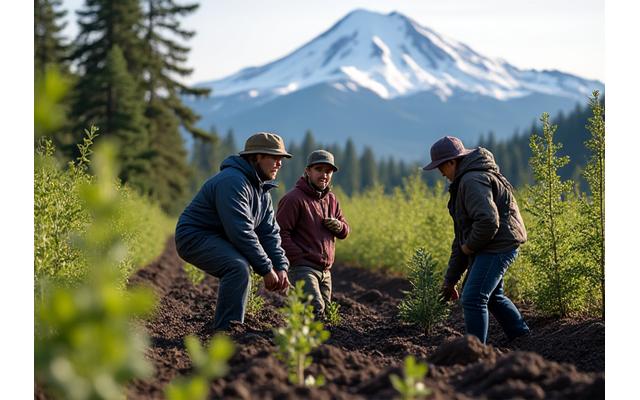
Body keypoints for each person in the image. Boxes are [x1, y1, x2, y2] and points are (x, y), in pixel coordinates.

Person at [175, 132, 292, 331]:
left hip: (220, 237)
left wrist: (280, 267)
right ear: (256, 157)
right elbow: (241, 231)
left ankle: (230, 325)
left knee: (241, 265)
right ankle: (226, 330)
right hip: (195, 236)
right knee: (237, 267)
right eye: (274, 157)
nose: (279, 163)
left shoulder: (262, 191)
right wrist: (265, 268)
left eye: (281, 159)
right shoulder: (233, 181)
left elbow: (269, 233)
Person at [423, 136, 530, 344]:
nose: (441, 173)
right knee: (494, 297)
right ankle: (522, 338)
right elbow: (461, 240)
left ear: (452, 162)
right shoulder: (468, 180)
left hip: (498, 245)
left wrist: (469, 246)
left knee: (473, 298)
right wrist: (450, 280)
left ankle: (474, 349)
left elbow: (488, 222)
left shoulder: (472, 181)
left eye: (441, 167)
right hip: (493, 244)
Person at [276, 150, 350, 317]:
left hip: (325, 271)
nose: (324, 175)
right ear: (307, 171)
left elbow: (345, 229)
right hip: (303, 268)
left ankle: (316, 343)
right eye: (319, 169)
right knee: (315, 310)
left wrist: (339, 227)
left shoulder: (331, 199)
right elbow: (280, 234)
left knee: (327, 314)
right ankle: (301, 342)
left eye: (328, 171)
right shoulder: (293, 199)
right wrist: (299, 257)